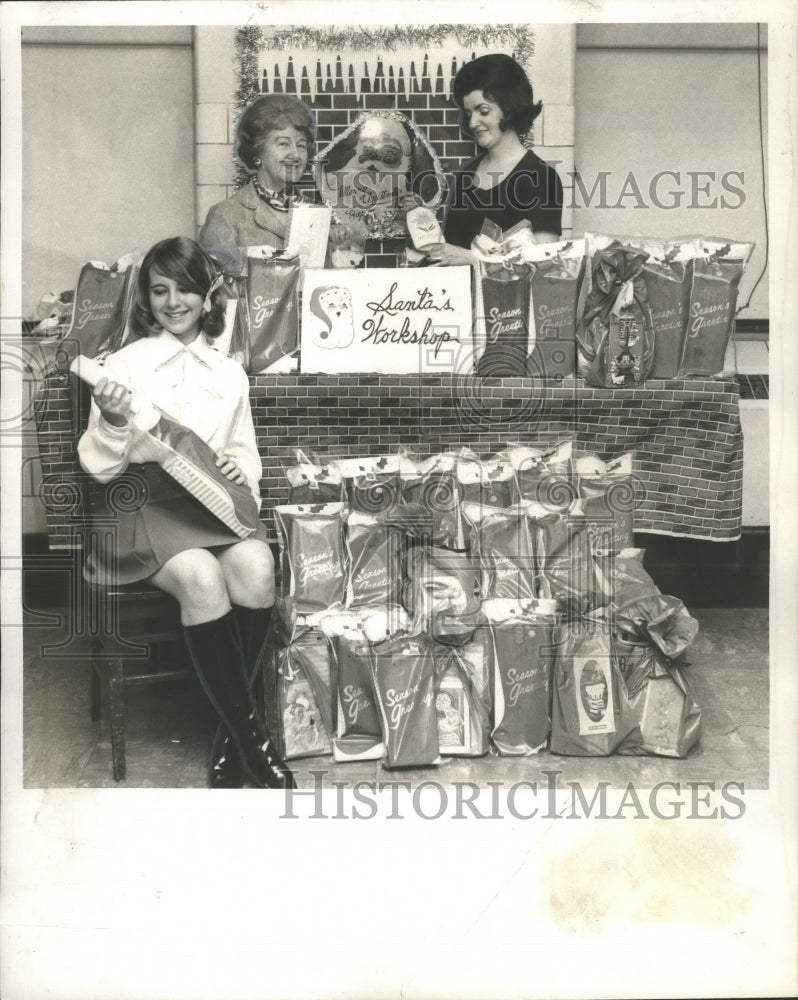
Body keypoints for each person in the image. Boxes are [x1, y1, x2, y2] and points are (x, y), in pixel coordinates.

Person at [77, 236, 294, 790]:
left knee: (256, 565)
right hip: (138, 506)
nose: (173, 302)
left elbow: (243, 450)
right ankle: (255, 745)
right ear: (146, 299)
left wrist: (244, 466)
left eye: (185, 288)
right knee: (201, 574)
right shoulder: (121, 366)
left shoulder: (229, 373)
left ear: (208, 292)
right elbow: (99, 469)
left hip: (209, 504)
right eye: (159, 290)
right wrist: (110, 421)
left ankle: (232, 739)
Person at [428, 53, 564, 266]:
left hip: (508, 299)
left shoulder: (542, 177)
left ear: (509, 107)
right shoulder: (467, 173)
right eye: (468, 112)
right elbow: (450, 253)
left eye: (483, 111)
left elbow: (543, 266)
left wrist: (473, 260)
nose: (473, 122)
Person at [199, 94, 317, 276]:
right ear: (257, 152)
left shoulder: (315, 213)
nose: (295, 154)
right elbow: (212, 288)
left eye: (301, 145)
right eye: (284, 144)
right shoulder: (225, 216)